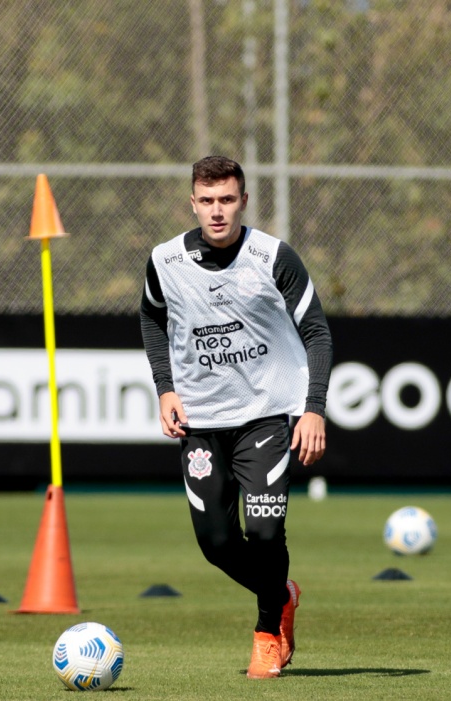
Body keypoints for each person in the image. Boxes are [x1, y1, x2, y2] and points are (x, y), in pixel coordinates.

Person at [139, 156, 333, 679]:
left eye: (227, 199)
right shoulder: (165, 260)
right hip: (200, 421)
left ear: (243, 200)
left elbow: (316, 331)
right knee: (216, 544)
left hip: (268, 415)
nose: (217, 211)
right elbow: (152, 318)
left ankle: (269, 632)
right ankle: (282, 593)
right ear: (193, 203)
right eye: (207, 201)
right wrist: (165, 389)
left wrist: (312, 409)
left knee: (266, 533)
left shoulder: (273, 257)